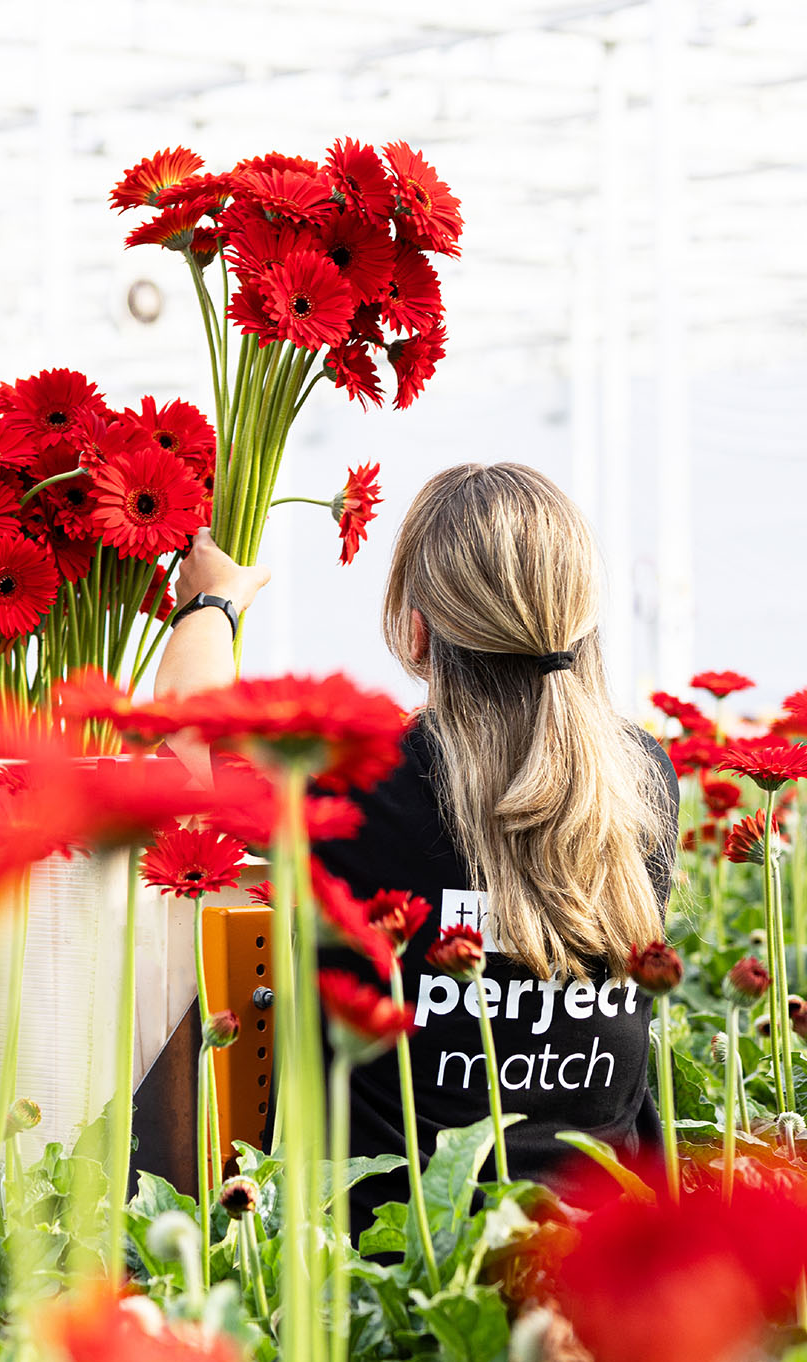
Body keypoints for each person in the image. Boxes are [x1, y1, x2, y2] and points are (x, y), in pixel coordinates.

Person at [151, 462, 678, 1227]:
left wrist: (212, 601)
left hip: (397, 1284)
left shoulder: (362, 785)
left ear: (417, 629)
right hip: (609, 1266)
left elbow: (188, 729)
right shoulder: (644, 780)